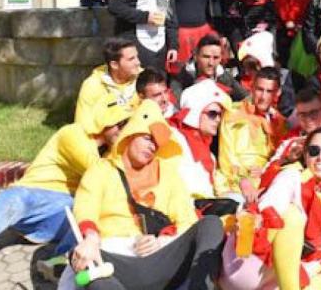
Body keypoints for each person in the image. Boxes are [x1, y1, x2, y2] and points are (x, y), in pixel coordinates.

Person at [0, 101, 132, 290]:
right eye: (120, 125)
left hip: (59, 209)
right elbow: (100, 173)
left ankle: (59, 261)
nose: (123, 131)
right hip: (33, 195)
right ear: (106, 122)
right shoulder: (73, 134)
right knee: (14, 199)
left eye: (127, 127)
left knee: (87, 208)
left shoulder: (108, 152)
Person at [68, 101, 224, 290]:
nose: (152, 147)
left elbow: (187, 219)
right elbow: (85, 209)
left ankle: (199, 287)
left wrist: (162, 239)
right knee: (81, 259)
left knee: (211, 224)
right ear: (130, 135)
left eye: (156, 144)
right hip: (114, 261)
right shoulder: (102, 170)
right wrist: (91, 239)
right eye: (147, 138)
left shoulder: (168, 173)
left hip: (159, 257)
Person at [219, 127, 321, 290]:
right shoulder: (291, 175)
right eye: (314, 151)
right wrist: (256, 221)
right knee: (292, 216)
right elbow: (271, 205)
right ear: (306, 155)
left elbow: (320, 251)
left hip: (279, 275)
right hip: (251, 260)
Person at [214, 67, 287, 204]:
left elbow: (280, 157)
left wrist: (266, 170)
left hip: (266, 181)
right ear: (252, 88)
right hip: (233, 179)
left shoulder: (280, 122)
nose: (263, 96)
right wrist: (242, 180)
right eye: (260, 89)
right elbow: (226, 155)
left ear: (278, 93)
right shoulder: (233, 112)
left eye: (269, 91)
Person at [168, 79, 238, 214]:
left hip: (207, 210)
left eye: (220, 115)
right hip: (182, 210)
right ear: (196, 111)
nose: (218, 119)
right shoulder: (173, 136)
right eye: (212, 114)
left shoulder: (210, 156)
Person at [74, 39, 141, 131]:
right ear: (114, 65)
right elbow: (82, 126)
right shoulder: (92, 85)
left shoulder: (144, 77)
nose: (138, 62)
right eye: (131, 59)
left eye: (137, 57)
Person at [169, 34, 249, 101]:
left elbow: (246, 98)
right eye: (206, 57)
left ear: (221, 58)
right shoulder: (181, 79)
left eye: (216, 58)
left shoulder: (225, 77)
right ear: (196, 56)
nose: (211, 63)